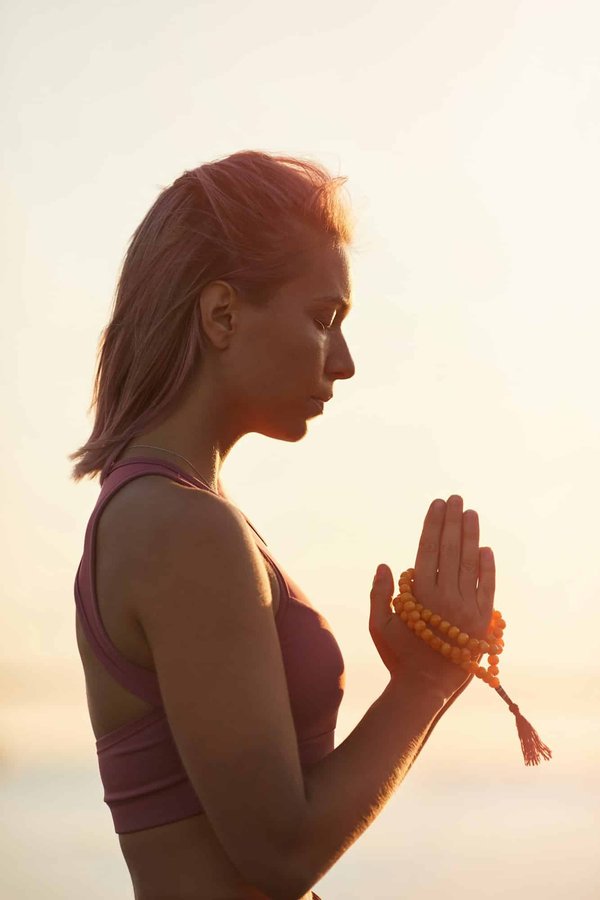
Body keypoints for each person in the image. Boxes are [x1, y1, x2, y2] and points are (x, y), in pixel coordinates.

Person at [69, 150, 495, 900]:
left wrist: (427, 679)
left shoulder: (168, 510)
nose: (346, 362)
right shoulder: (182, 527)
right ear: (223, 314)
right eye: (324, 318)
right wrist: (425, 682)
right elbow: (280, 853)